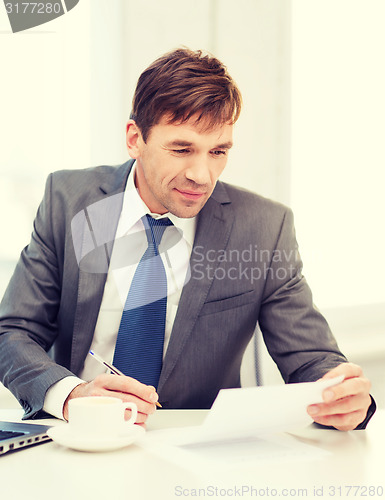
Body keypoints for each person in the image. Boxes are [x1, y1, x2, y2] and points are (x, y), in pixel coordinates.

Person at [0, 48, 375, 431]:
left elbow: (312, 360)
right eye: (182, 149)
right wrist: (72, 396)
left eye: (218, 151)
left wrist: (343, 395)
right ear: (134, 139)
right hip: (81, 436)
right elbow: (12, 332)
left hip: (199, 453)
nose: (203, 175)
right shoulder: (69, 200)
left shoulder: (263, 227)